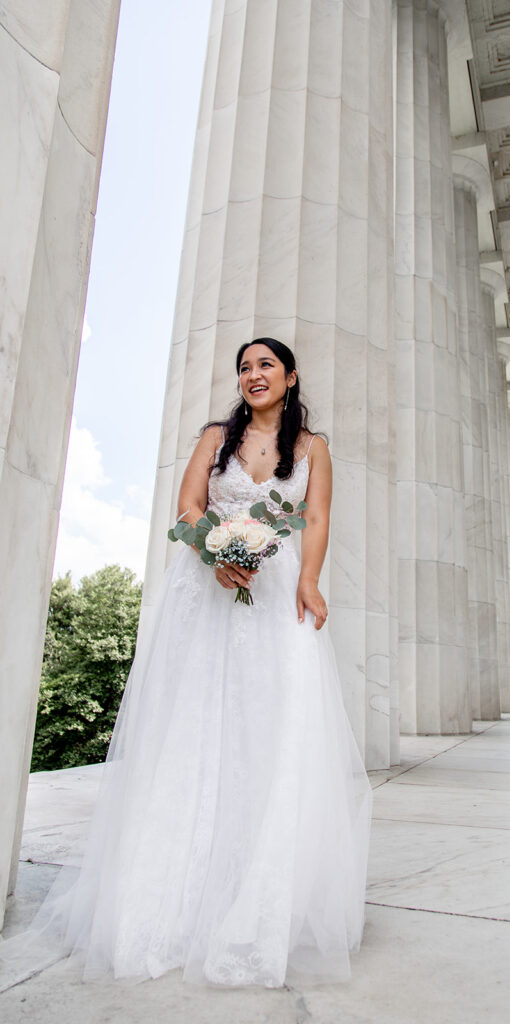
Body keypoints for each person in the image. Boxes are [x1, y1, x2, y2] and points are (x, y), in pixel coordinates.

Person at [0, 338, 372, 989]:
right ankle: (169, 896)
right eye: (244, 367)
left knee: (270, 732)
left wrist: (309, 581)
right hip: (203, 590)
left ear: (289, 376)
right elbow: (188, 508)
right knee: (194, 728)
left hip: (277, 590)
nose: (252, 375)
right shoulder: (213, 437)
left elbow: (315, 518)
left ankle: (254, 895)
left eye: (265, 365)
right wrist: (213, 552)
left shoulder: (313, 449)